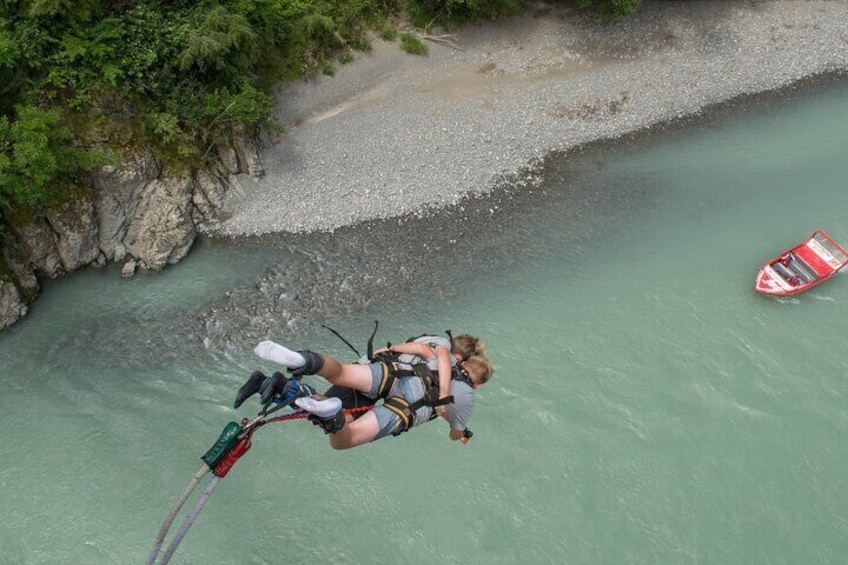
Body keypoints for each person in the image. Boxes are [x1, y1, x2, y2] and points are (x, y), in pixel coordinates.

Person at [234, 334, 493, 449]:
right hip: (408, 405)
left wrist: (381, 352)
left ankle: (302, 361)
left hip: (393, 370)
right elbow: (454, 430)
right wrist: (455, 424)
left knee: (341, 374)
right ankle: (330, 415)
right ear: (478, 384)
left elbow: (425, 352)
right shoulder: (467, 396)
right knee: (343, 438)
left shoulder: (439, 350)